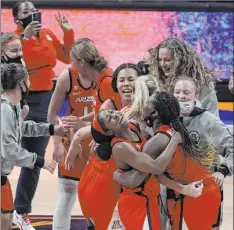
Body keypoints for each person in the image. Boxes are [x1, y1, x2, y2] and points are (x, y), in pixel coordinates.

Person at [10, 0, 75, 228]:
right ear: (17, 19)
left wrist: (68, 33)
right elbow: (15, 61)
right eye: (26, 12)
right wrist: (25, 38)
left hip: (45, 100)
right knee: (7, 155)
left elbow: (67, 57)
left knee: (34, 158)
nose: (32, 14)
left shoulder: (47, 34)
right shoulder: (12, 38)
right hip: (17, 99)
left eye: (33, 10)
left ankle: (20, 210)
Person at [48, 38, 115, 230]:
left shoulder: (106, 78)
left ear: (82, 61)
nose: (70, 64)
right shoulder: (67, 77)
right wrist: (58, 143)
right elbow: (52, 115)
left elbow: (110, 114)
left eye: (72, 60)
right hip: (74, 141)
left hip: (98, 141)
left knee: (98, 197)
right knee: (67, 192)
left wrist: (82, 122)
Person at [139, 92, 221, 230]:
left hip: (195, 193)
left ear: (154, 114)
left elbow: (150, 173)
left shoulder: (158, 141)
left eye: (147, 102)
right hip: (204, 189)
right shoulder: (176, 127)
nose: (143, 104)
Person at [1, 63, 68, 230]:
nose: (31, 83)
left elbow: (22, 128)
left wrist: (52, 128)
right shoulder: (5, 109)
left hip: (3, 177)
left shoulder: (13, 105)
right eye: (28, 79)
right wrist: (39, 161)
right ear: (22, 83)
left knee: (7, 217)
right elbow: (9, 150)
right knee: (4, 218)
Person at [173, 75, 233, 229]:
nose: (181, 96)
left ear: (196, 95)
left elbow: (231, 147)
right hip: (174, 188)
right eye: (177, 92)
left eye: (186, 92)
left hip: (202, 187)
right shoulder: (167, 118)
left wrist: (222, 170)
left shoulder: (208, 121)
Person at [149, 38, 219, 116]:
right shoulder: (157, 82)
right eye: (159, 60)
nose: (162, 64)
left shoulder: (203, 85)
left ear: (181, 60)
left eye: (167, 60)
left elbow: (212, 117)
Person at [1, 32, 29, 119]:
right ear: (1, 53)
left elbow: (26, 85)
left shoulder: (21, 62)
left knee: (25, 108)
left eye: (20, 49)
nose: (19, 54)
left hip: (14, 97)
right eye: (14, 51)